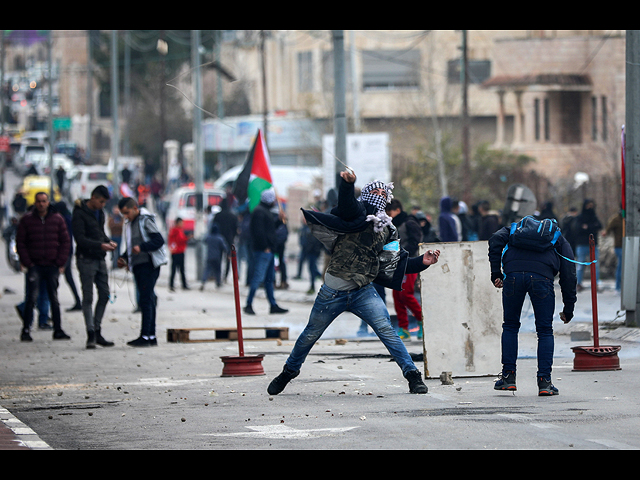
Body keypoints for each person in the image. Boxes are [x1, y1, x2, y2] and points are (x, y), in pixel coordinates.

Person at [267, 171, 440, 396]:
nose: (379, 195)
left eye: (383, 192)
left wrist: (422, 262)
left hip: (363, 291)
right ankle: (288, 372)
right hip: (332, 292)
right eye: (374, 191)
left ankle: (413, 376)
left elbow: (395, 262)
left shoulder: (387, 229)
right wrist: (348, 184)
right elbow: (348, 204)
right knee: (310, 334)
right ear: (366, 195)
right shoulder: (353, 215)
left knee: (387, 331)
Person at [488, 218, 577, 396]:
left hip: (512, 277)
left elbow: (495, 239)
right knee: (544, 330)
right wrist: (569, 307)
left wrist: (496, 272)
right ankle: (544, 382)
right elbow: (568, 272)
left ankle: (508, 377)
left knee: (510, 326)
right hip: (541, 279)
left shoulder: (514, 229)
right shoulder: (556, 235)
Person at [16, 192, 71, 342]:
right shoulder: (27, 220)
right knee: (31, 298)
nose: (41, 204)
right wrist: (28, 262)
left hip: (52, 265)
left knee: (53, 298)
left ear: (48, 202)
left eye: (44, 201)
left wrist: (60, 262)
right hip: (35, 265)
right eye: (39, 201)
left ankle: (58, 329)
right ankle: (26, 329)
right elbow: (20, 242)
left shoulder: (57, 219)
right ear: (35, 203)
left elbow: (66, 241)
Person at [117, 197, 167, 347]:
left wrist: (143, 248)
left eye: (127, 212)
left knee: (146, 300)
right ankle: (150, 336)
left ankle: (145, 336)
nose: (126, 216)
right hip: (138, 265)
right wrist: (124, 257)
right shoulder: (130, 223)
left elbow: (158, 240)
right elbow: (133, 245)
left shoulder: (145, 220)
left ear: (134, 208)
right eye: (123, 214)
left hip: (149, 265)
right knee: (148, 300)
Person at [72, 185, 117, 349]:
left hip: (100, 259)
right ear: (93, 198)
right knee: (88, 298)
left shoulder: (100, 213)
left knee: (105, 294)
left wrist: (108, 241)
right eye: (101, 201)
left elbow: (100, 233)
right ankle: (90, 333)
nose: (102, 205)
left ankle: (97, 330)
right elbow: (80, 239)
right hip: (86, 259)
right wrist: (101, 245)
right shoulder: (79, 213)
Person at [243, 189, 289, 315]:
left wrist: (279, 220)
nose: (275, 202)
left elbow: (269, 229)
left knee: (270, 279)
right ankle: (248, 304)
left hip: (268, 251)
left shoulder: (264, 211)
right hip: (263, 251)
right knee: (258, 278)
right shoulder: (259, 212)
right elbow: (259, 232)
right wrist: (265, 247)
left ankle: (273, 305)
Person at [386, 198, 424, 340]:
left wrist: (404, 254)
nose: (388, 215)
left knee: (406, 294)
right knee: (397, 295)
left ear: (397, 210)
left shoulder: (409, 222)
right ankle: (404, 328)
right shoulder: (391, 225)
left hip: (410, 263)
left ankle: (421, 321)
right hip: (396, 263)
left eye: (390, 212)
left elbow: (416, 241)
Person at [54, 201, 82, 312]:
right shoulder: (68, 218)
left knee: (54, 279)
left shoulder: (64, 219)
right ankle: (77, 301)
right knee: (67, 277)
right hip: (68, 252)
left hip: (64, 252)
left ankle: (51, 306)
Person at [573, 199, 603, 291]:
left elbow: (599, 226)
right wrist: (590, 227)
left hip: (593, 245)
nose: (590, 207)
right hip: (582, 244)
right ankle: (579, 283)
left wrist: (588, 227)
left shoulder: (594, 217)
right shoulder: (580, 217)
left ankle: (596, 283)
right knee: (581, 265)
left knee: (595, 265)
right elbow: (577, 228)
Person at [213, 198, 238, 283]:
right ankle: (225, 276)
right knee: (228, 258)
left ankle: (218, 276)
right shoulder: (233, 216)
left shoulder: (217, 216)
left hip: (218, 239)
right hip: (229, 240)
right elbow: (236, 229)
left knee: (218, 259)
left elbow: (213, 227)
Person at [200, 223, 228, 290]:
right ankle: (218, 283)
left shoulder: (209, 237)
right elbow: (224, 247)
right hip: (217, 257)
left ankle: (203, 282)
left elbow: (204, 240)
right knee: (218, 270)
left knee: (207, 270)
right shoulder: (220, 238)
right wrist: (228, 253)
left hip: (209, 256)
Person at [604, 207, 624, 292]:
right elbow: (607, 230)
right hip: (619, 246)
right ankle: (618, 287)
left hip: (628, 244)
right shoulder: (616, 219)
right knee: (621, 266)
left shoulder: (632, 217)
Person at [168, 217, 191, 291]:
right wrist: (188, 238)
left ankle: (171, 284)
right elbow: (181, 239)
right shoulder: (178, 230)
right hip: (179, 252)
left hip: (174, 252)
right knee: (181, 270)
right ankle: (183, 285)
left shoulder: (172, 230)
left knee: (174, 269)